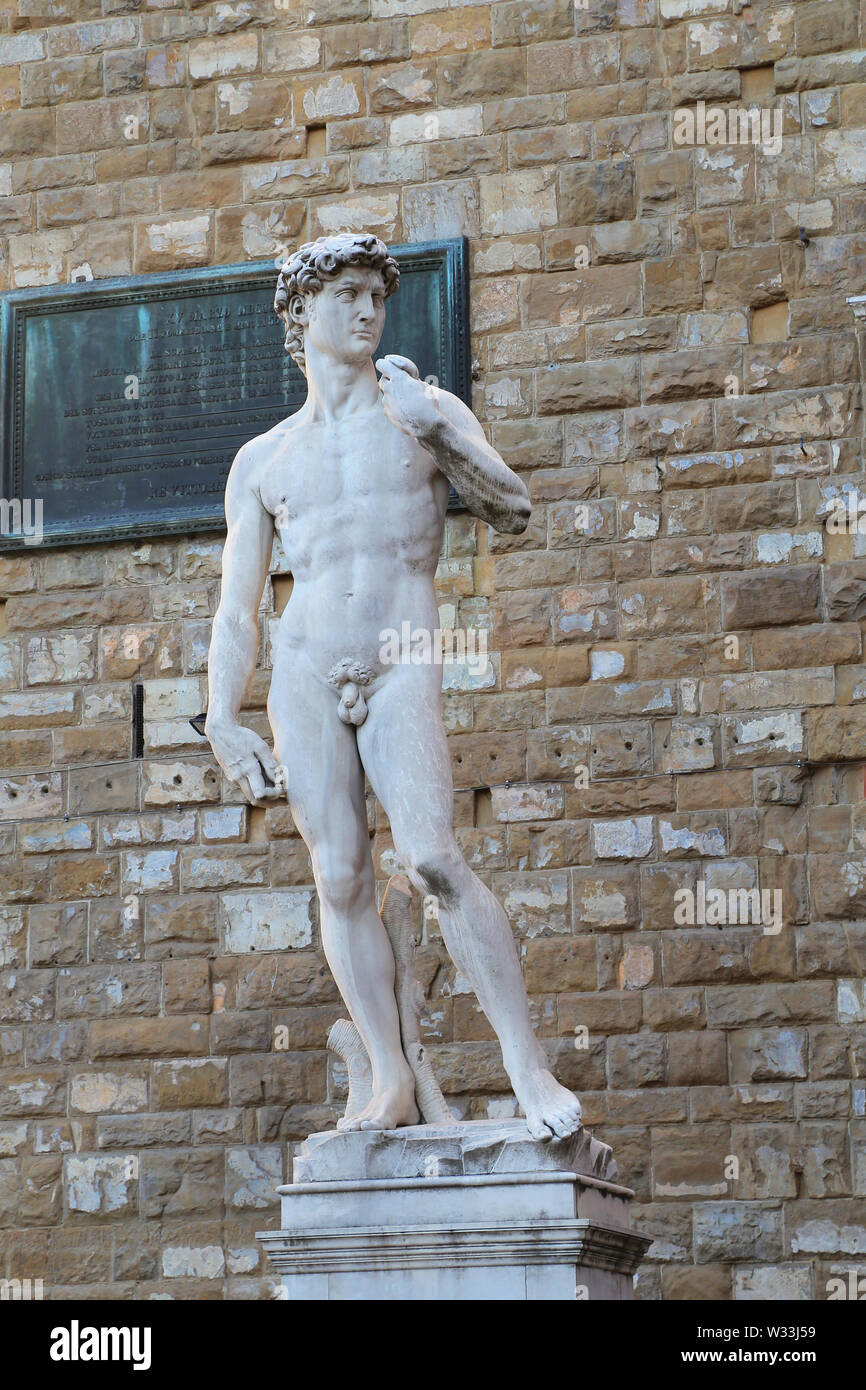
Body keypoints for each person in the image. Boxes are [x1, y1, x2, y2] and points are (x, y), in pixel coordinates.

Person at [205, 233, 582, 1140]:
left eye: (377, 293)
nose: (368, 310)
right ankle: (388, 1077)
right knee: (338, 877)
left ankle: (526, 1071)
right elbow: (236, 609)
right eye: (347, 295)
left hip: (401, 654)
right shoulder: (264, 459)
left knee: (436, 860)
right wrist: (221, 717)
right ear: (302, 316)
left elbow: (514, 508)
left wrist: (442, 427)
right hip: (302, 669)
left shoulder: (421, 409)